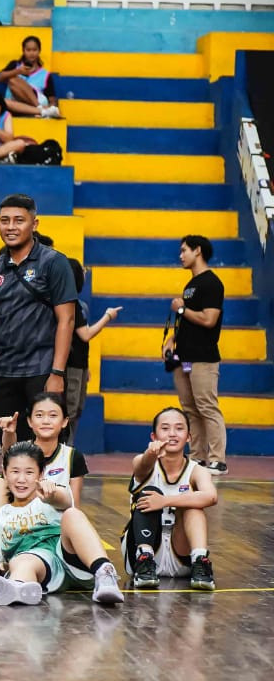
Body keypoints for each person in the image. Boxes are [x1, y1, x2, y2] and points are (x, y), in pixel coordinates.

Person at [0, 194, 77, 445]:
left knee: (47, 444)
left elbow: (67, 320)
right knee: (11, 447)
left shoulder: (54, 262)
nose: (10, 227)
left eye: (19, 220)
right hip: (3, 373)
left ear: (35, 223)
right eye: (4, 220)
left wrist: (57, 373)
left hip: (41, 370)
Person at [0, 442, 123, 606]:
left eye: (29, 472)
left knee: (72, 514)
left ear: (41, 474)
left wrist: (51, 495)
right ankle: (18, 587)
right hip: (41, 566)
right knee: (23, 561)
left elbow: (66, 500)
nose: (21, 479)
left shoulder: (52, 495)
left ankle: (105, 574)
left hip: (70, 557)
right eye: (15, 472)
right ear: (4, 473)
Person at [123, 407, 218, 591]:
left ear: (189, 437)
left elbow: (211, 496)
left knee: (192, 503)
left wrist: (165, 501)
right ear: (154, 436)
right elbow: (142, 467)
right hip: (147, 548)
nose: (172, 434)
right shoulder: (141, 461)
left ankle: (200, 560)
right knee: (148, 492)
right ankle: (144, 558)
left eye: (179, 428)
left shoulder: (197, 470)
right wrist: (151, 454)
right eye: (165, 428)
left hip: (180, 551)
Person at [164, 235, 227, 476]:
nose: (180, 256)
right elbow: (188, 321)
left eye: (184, 250)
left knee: (207, 406)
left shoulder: (211, 283)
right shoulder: (190, 285)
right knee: (190, 408)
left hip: (203, 357)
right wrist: (172, 341)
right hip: (184, 357)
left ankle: (217, 459)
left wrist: (181, 308)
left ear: (197, 251)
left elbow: (209, 320)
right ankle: (198, 456)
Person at [66, 257, 121, 443]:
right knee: (69, 410)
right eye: (81, 270)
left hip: (79, 365)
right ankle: (62, 452)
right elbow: (85, 335)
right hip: (70, 365)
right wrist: (108, 316)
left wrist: (86, 366)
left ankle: (68, 449)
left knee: (76, 410)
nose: (85, 273)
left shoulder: (78, 304)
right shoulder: (70, 304)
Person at [0, 392, 88, 503]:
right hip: (21, 518)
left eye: (53, 415)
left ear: (64, 421)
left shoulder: (72, 457)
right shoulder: (19, 452)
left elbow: (74, 506)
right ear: (30, 421)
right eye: (39, 415)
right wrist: (9, 434)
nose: (46, 421)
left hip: (56, 519)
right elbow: (8, 452)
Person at [0, 34, 61, 118]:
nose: (31, 53)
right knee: (3, 102)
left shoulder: (45, 74)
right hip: (18, 106)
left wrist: (52, 106)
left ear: (39, 51)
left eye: (34, 50)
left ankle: (39, 107)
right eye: (28, 50)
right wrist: (18, 71)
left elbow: (51, 98)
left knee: (13, 80)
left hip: (39, 100)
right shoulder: (15, 65)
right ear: (23, 51)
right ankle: (41, 112)